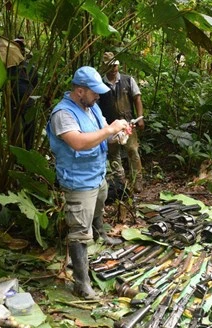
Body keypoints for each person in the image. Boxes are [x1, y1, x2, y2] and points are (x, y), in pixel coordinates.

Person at [46, 66, 131, 299]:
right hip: (78, 180)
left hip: (96, 174)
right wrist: (110, 130)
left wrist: (118, 134)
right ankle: (81, 283)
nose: (98, 96)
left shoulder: (91, 108)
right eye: (94, 92)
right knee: (79, 231)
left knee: (99, 204)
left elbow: (105, 133)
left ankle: (100, 233)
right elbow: (79, 143)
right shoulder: (63, 114)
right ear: (80, 91)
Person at [98, 52, 145, 193]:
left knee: (132, 151)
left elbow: (137, 98)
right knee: (113, 154)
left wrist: (140, 117)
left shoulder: (128, 80)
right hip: (110, 125)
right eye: (111, 65)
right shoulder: (100, 84)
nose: (114, 68)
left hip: (128, 123)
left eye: (115, 65)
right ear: (105, 67)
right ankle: (121, 183)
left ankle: (138, 182)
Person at [8, 36, 39, 149]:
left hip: (27, 100)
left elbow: (34, 83)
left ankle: (28, 152)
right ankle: (17, 154)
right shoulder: (8, 66)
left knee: (29, 128)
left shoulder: (29, 67)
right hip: (12, 101)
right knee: (14, 128)